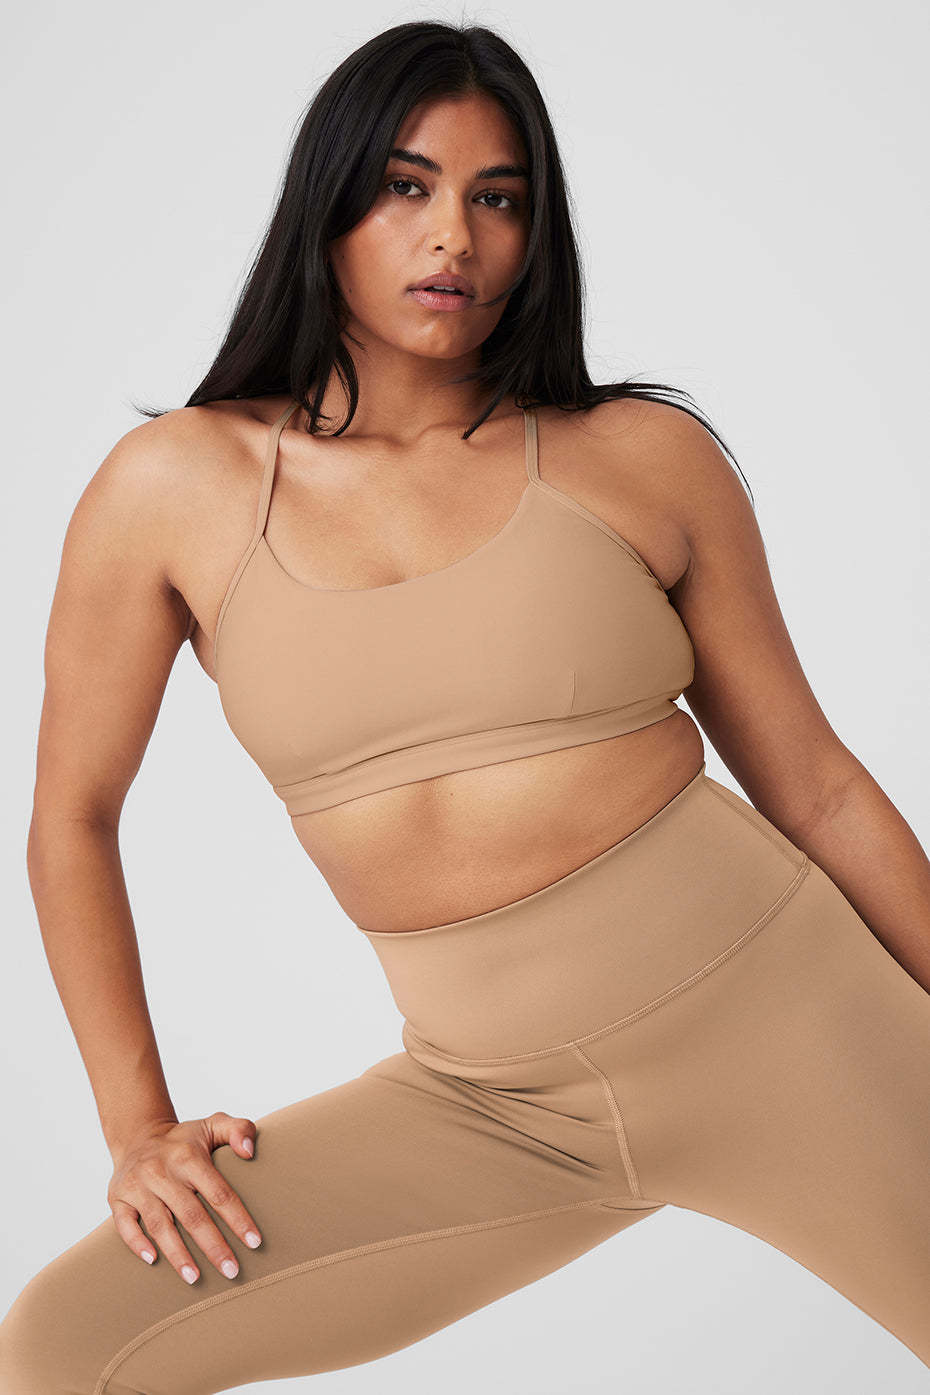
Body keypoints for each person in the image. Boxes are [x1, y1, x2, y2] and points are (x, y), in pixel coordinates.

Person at [2, 18, 929, 1393]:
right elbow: (71, 818)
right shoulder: (176, 486)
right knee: (74, 1346)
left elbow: (818, 785)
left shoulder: (639, 455)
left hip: (792, 1024)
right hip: (492, 1102)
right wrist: (139, 1130)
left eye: (499, 198)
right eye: (407, 186)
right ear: (326, 204)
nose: (456, 237)